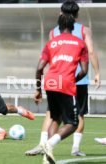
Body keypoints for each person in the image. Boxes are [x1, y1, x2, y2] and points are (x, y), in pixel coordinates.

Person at [25, 0, 100, 157]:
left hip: (54, 79)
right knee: (78, 116)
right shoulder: (84, 31)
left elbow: (43, 62)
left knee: (52, 115)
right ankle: (74, 148)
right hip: (75, 79)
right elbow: (91, 52)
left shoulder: (53, 33)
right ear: (77, 14)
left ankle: (43, 145)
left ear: (61, 13)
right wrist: (97, 72)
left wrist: (38, 88)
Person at [35, 13, 88, 164]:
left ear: (58, 26)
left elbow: (39, 69)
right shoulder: (80, 43)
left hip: (50, 82)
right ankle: (48, 144)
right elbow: (84, 71)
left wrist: (38, 89)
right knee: (73, 124)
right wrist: (72, 80)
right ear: (73, 26)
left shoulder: (51, 43)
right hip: (65, 82)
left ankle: (47, 156)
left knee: (55, 118)